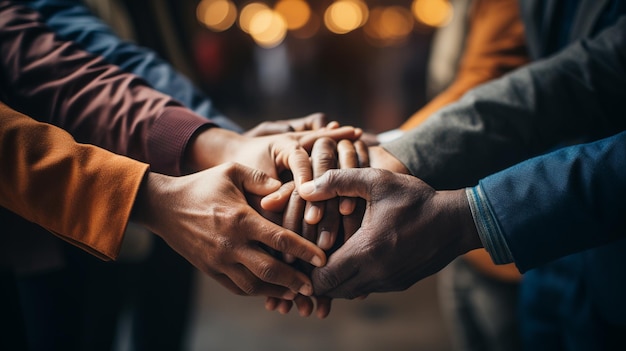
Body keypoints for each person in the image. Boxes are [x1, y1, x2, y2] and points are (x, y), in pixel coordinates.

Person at [262, 4, 626, 349]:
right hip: (551, 249)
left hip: (572, 233)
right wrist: (388, 154)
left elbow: (515, 73)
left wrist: (477, 214)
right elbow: (581, 75)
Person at [0, 1, 361, 349]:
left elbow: (57, 67)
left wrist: (218, 143)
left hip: (182, 177)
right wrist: (148, 196)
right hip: (67, 216)